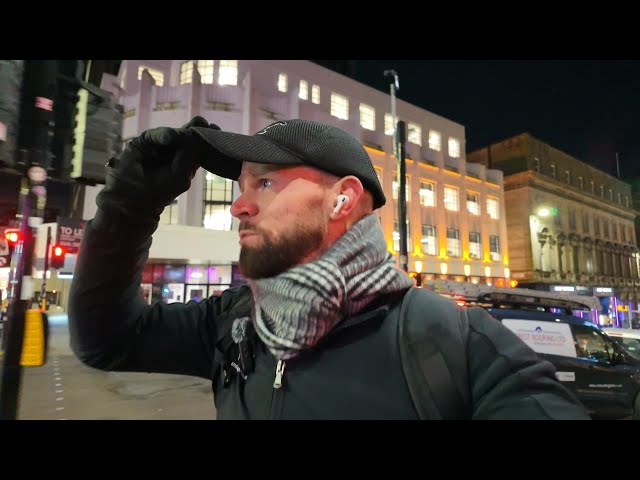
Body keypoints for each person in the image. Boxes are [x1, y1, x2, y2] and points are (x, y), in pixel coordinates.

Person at [68, 116, 590, 420]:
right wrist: (130, 205)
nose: (239, 206)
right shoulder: (237, 324)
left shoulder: (456, 344)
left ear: (343, 201)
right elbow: (107, 341)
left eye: (265, 183)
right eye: (241, 185)